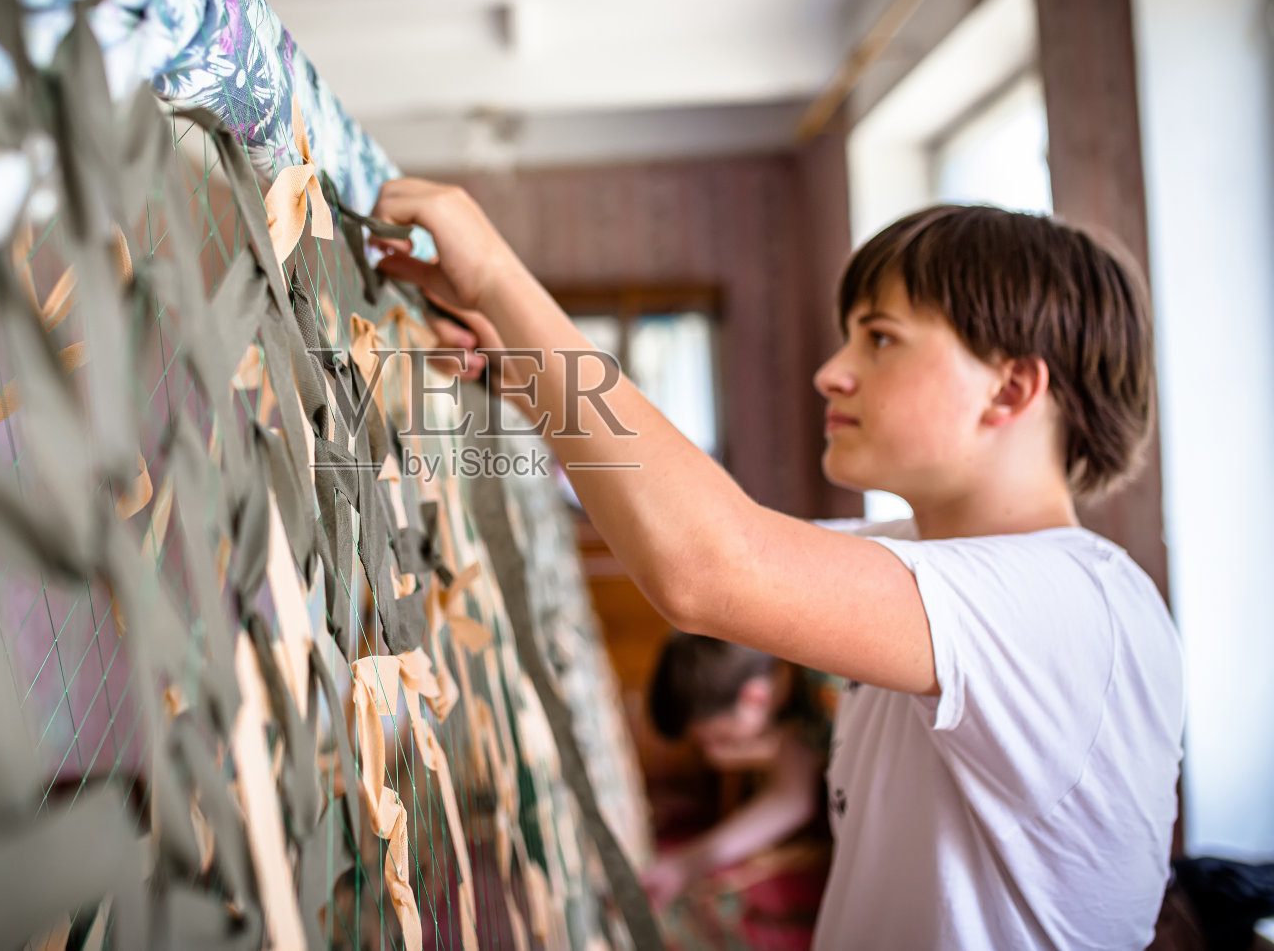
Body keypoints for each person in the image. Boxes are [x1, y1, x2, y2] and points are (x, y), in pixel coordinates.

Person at [367, 187, 1184, 950]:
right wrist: (533, 383)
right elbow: (689, 521)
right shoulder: (930, 556)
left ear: (1009, 390)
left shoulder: (1068, 601)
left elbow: (712, 565)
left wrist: (503, 279)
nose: (833, 370)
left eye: (882, 337)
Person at [640, 634, 831, 913]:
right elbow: (791, 798)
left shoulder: (828, 678)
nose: (715, 753)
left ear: (752, 697)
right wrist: (683, 866)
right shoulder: (788, 695)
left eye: (720, 737)